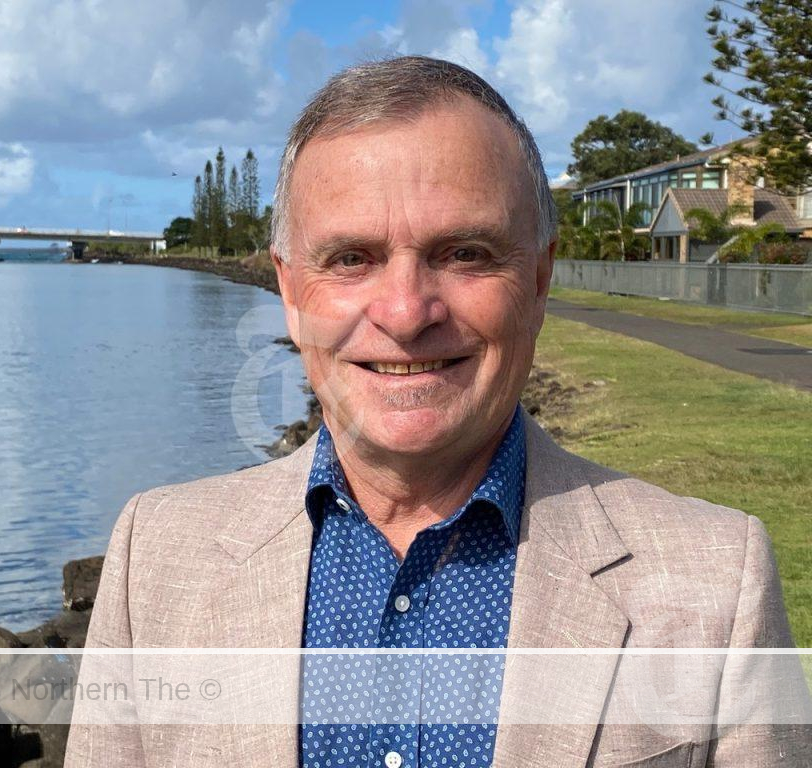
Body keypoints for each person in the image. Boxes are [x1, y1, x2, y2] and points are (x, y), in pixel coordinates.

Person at [65, 56, 809, 767]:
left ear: (540, 279)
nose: (405, 312)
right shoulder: (156, 558)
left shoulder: (716, 581)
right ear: (291, 293)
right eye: (351, 258)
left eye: (466, 254)